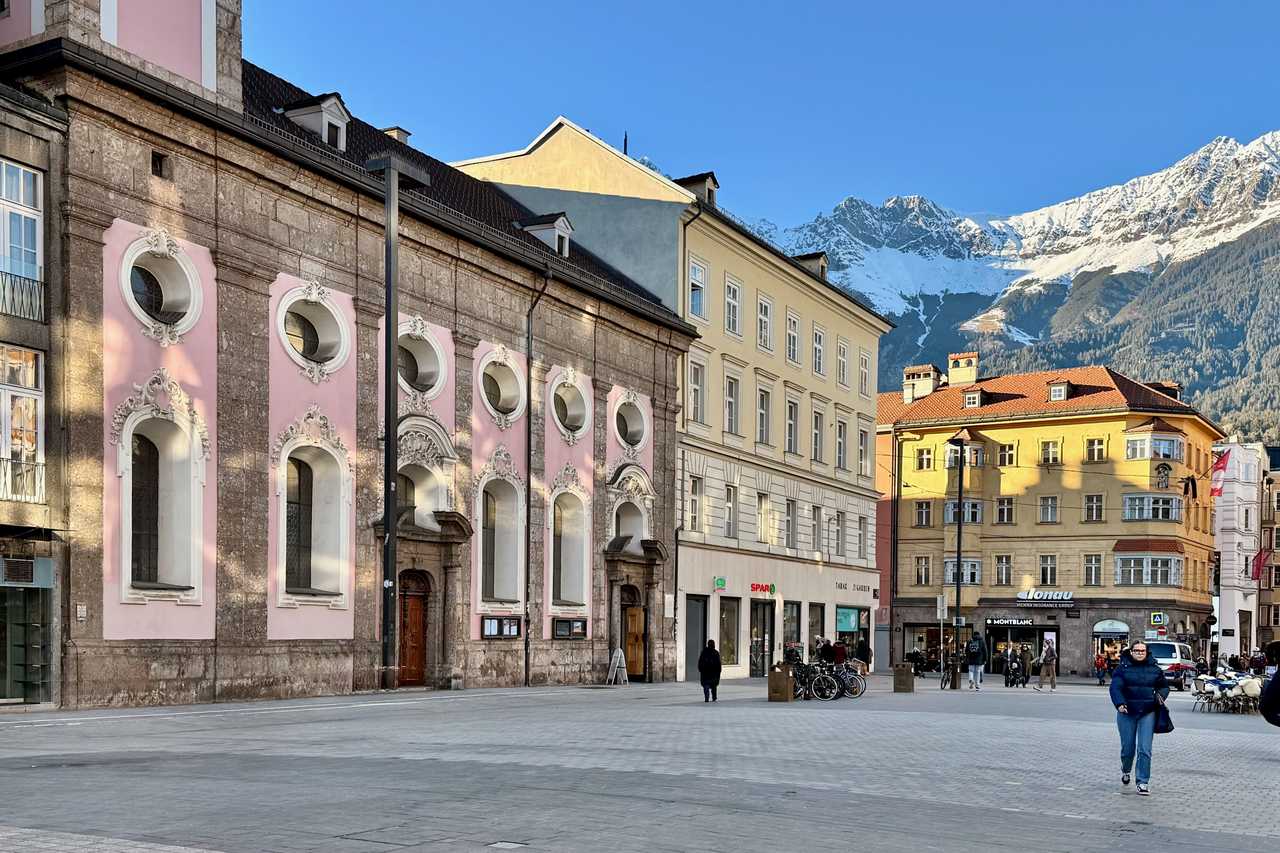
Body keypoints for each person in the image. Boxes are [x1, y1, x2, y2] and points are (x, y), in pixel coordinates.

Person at [1109, 641, 1169, 795]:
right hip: (1126, 712)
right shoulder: (1122, 668)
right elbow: (1115, 687)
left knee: (1145, 749)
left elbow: (1164, 686)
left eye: (1142, 651)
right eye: (1137, 650)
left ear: (1146, 652)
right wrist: (1119, 703)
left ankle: (1143, 782)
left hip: (1147, 712)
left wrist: (1160, 696)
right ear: (1131, 652)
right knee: (1128, 749)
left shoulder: (1155, 669)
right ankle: (1126, 769)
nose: (1140, 653)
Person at [697, 639, 722, 703]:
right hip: (713, 674)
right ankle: (714, 697)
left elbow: (700, 662)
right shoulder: (716, 653)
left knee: (706, 686)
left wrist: (701, 670)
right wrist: (718, 673)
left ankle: (707, 698)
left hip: (706, 674)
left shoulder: (704, 652)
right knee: (714, 686)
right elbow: (719, 664)